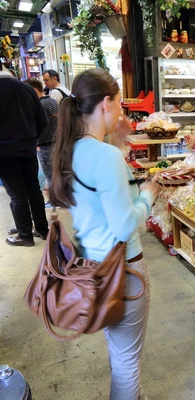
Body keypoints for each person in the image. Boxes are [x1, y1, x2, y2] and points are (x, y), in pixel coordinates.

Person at [49, 68, 159, 400]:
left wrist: (119, 152)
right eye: (120, 105)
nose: (122, 113)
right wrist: (148, 195)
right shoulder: (105, 156)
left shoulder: (70, 149)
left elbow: (98, 198)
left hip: (93, 268)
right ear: (105, 104)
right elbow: (125, 225)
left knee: (119, 352)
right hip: (124, 271)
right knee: (127, 363)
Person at [0, 62, 49, 246]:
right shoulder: (27, 88)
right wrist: (32, 139)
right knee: (33, 189)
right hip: (28, 149)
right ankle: (42, 229)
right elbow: (42, 121)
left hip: (4, 152)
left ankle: (25, 234)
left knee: (16, 194)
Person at [25, 78, 59, 207]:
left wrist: (36, 141)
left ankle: (54, 202)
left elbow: (41, 125)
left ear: (33, 90)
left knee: (50, 175)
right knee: (55, 175)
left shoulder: (39, 105)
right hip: (55, 143)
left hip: (45, 145)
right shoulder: (52, 101)